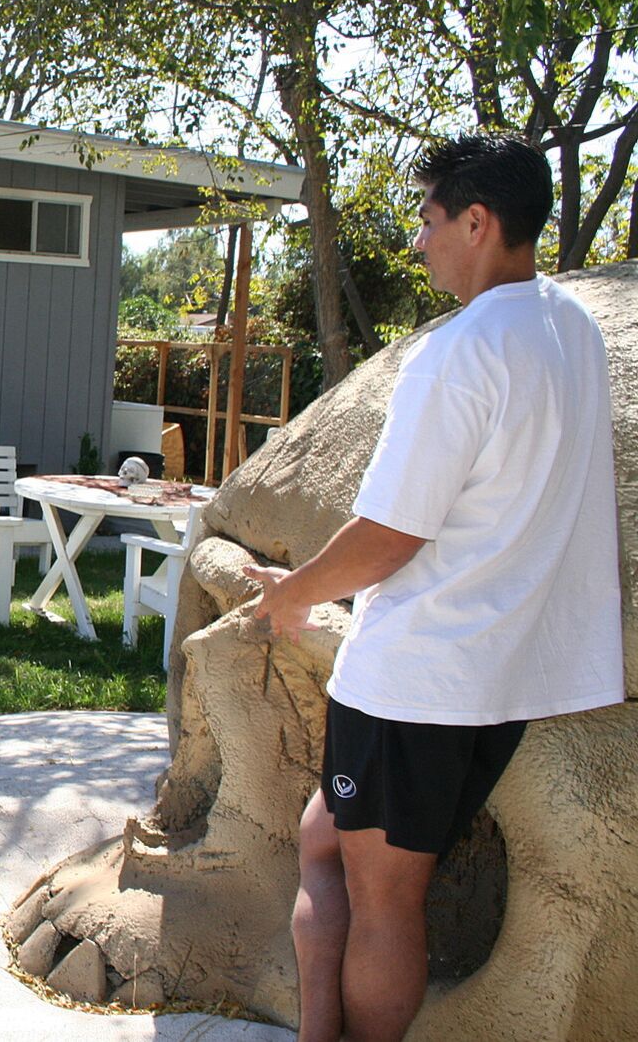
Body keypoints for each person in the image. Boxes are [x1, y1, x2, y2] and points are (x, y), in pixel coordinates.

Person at [243, 134, 621, 1041]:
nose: (417, 241)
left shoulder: (461, 352)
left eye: (427, 220)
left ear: (478, 222)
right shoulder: (571, 331)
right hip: (498, 681)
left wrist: (293, 593)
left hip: (416, 684)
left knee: (386, 902)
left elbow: (388, 536)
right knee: (323, 840)